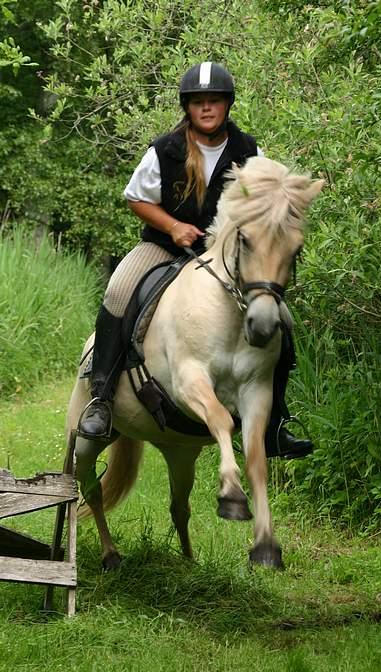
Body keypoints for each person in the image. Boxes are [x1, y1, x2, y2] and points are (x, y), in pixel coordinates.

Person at [78, 61, 312, 459]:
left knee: (281, 320)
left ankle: (275, 424)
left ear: (227, 105)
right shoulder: (163, 149)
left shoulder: (249, 150)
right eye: (199, 102)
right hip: (164, 247)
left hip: (229, 256)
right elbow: (135, 197)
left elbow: (268, 204)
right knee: (118, 292)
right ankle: (101, 399)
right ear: (188, 106)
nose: (207, 108)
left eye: (215, 101)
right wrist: (171, 226)